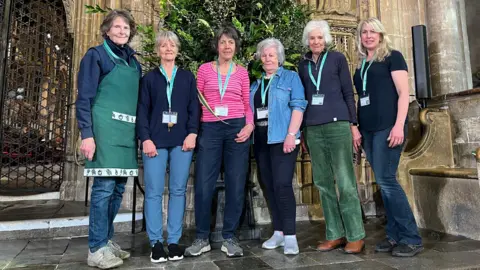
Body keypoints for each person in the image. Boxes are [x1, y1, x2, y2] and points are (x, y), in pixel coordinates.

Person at [76, 9, 141, 269]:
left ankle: (106, 240)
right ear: (107, 30)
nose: (122, 31)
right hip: (103, 132)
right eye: (117, 27)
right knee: (103, 190)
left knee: (117, 190)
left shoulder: (133, 61)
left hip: (126, 132)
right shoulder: (96, 56)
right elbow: (84, 98)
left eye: (126, 28)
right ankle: (95, 249)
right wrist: (87, 135)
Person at [353, 17, 423, 257]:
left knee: (387, 181)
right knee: (383, 183)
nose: (368, 36)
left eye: (373, 31)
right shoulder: (361, 65)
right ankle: (394, 236)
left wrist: (398, 126)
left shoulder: (393, 56)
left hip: (388, 127)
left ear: (381, 35)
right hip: (369, 130)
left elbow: (404, 94)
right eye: (364, 32)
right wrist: (358, 131)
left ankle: (411, 238)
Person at [184, 26, 254, 258]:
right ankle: (202, 237)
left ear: (236, 46)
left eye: (231, 42)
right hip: (210, 129)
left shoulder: (242, 73)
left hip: (236, 129)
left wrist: (249, 125)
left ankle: (230, 237)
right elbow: (196, 103)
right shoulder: (204, 70)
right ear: (217, 45)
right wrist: (194, 130)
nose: (227, 46)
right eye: (223, 42)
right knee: (204, 182)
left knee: (236, 182)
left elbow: (246, 103)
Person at [298, 20, 365, 254]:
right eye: (312, 38)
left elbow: (348, 92)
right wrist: (303, 131)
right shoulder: (302, 64)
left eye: (319, 38)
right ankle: (335, 234)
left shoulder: (337, 59)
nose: (315, 42)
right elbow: (303, 97)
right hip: (313, 129)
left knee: (345, 182)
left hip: (338, 126)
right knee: (323, 183)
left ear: (325, 40)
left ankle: (355, 235)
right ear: (307, 41)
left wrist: (354, 125)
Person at [136, 31, 199, 263]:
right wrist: (146, 138)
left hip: (183, 140)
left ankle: (173, 241)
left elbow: (194, 107)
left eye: (172, 45)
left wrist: (193, 133)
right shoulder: (149, 79)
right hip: (156, 140)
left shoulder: (186, 78)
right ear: (158, 51)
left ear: (177, 49)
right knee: (153, 192)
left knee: (178, 190)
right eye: (164, 45)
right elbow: (142, 110)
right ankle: (155, 243)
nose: (168, 49)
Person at [250, 38, 307, 255]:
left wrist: (292, 135)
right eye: (264, 55)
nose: (267, 58)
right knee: (269, 185)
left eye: (271, 55)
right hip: (261, 141)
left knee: (283, 184)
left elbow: (298, 106)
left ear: (279, 57)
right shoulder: (256, 83)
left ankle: (291, 235)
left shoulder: (290, 78)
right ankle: (279, 232)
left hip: (283, 139)